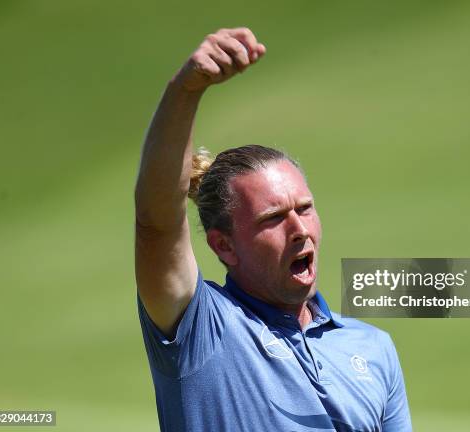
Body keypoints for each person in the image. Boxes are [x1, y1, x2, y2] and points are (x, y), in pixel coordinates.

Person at [134, 27, 412, 432]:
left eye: (305, 208)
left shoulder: (372, 348)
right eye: (273, 218)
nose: (299, 228)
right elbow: (156, 225)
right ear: (224, 246)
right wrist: (185, 91)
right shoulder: (201, 330)